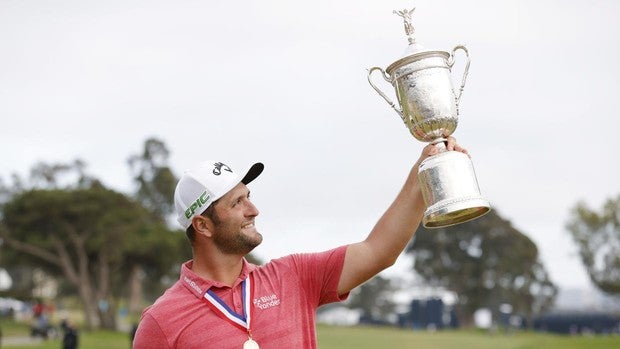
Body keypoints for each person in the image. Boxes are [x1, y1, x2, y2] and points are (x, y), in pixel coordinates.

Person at [132, 138, 468, 348]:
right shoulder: (161, 324)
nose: (254, 210)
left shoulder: (293, 276)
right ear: (202, 225)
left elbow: (378, 251)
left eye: (249, 197)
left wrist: (424, 174)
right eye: (237, 203)